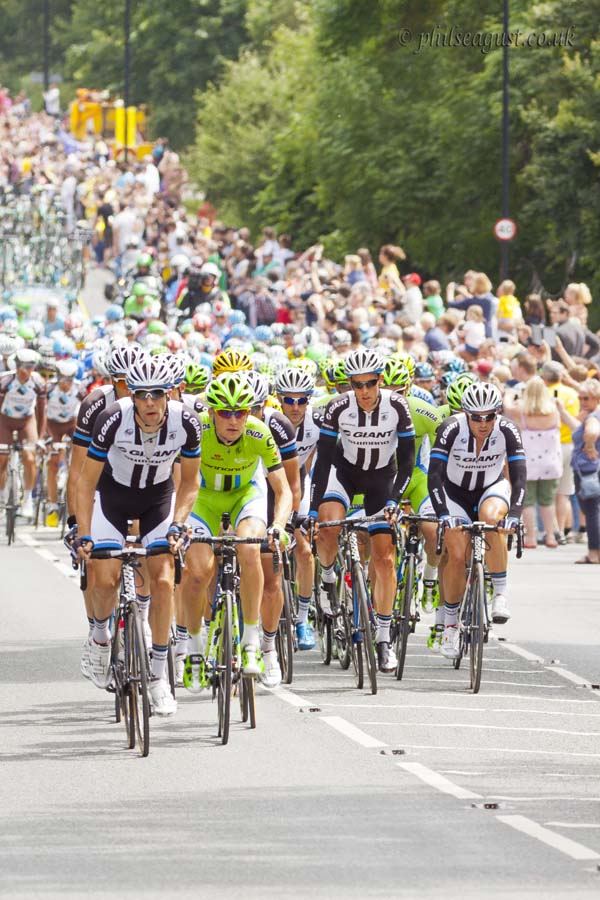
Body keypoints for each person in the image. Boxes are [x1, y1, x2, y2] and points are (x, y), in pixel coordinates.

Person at [75, 354, 202, 717]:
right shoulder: (111, 418)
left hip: (157, 501)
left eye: (157, 394)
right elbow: (86, 483)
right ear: (131, 393)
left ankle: (159, 676)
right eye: (142, 394)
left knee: (163, 580)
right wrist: (84, 533)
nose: (149, 403)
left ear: (169, 395)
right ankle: (100, 638)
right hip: (111, 498)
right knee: (103, 578)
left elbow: (191, 482)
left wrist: (179, 522)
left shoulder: (187, 422)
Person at [181, 373, 292, 687]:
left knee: (249, 547)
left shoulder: (259, 433)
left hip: (246, 496)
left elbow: (282, 490)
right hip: (203, 499)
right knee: (199, 572)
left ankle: (251, 643)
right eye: (225, 413)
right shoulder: (196, 429)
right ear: (212, 412)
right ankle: (194, 647)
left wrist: (278, 526)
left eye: (241, 412)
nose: (233, 420)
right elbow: (177, 481)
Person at [308, 348, 415, 674]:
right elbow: (323, 461)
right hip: (344, 472)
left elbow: (408, 460)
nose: (365, 391)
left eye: (370, 384)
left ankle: (383, 640)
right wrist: (313, 509)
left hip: (382, 479)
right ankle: (328, 579)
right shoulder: (338, 407)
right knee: (328, 525)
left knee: (384, 557)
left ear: (381, 381)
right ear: (350, 385)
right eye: (357, 385)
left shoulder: (397, 406)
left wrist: (395, 499)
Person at [428, 382, 527, 657]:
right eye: (476, 417)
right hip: (454, 493)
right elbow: (434, 476)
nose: (483, 423)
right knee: (457, 556)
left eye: (489, 416)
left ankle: (500, 594)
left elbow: (518, 477)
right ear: (466, 413)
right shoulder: (450, 428)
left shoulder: (507, 430)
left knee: (492, 519)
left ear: (497, 413)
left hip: (490, 488)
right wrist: (443, 515)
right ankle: (450, 625)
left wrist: (515, 516)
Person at [503, 376, 562, 549]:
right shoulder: (553, 410)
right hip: (551, 463)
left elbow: (506, 405)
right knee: (547, 501)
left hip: (529, 463)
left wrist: (510, 392)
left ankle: (531, 537)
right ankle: (551, 536)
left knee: (527, 501)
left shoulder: (522, 411)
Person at [0, 348, 46, 520]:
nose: (26, 371)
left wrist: (40, 437)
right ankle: (2, 497)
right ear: (17, 366)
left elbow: (42, 412)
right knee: (2, 458)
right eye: (23, 366)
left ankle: (27, 500)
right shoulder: (5, 381)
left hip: (27, 420)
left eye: (31, 367)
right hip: (5, 419)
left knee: (29, 457)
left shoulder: (39, 383)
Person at [557, 380, 600, 564]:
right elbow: (577, 428)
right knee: (592, 510)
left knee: (591, 511)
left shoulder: (593, 417)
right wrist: (562, 411)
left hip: (589, 470)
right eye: (580, 397)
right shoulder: (591, 415)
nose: (582, 401)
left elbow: (591, 431)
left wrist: (589, 444)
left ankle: (594, 553)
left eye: (586, 398)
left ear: (597, 398)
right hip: (589, 469)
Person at [540, 361, 580, 542]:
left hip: (551, 446)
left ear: (546, 376)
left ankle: (554, 531)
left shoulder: (544, 394)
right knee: (564, 492)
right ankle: (562, 531)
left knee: (550, 492)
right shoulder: (572, 393)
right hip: (571, 444)